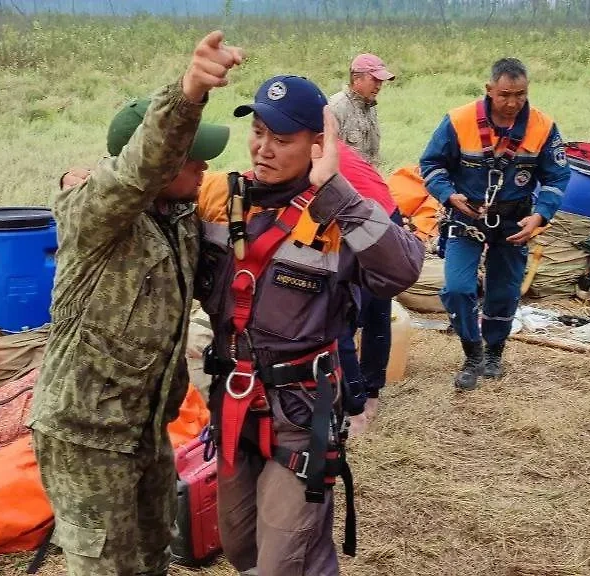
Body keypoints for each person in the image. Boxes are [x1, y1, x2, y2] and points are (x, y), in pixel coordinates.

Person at [26, 31, 242, 576]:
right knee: (108, 567)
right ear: (158, 160)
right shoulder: (96, 215)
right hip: (86, 435)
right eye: (193, 158)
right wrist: (189, 92)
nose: (204, 169)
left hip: (143, 428)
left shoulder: (178, 221)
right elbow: (132, 172)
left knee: (150, 557)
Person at [193, 75, 424, 576]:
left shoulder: (338, 215)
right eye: (258, 132)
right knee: (241, 548)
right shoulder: (219, 198)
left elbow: (402, 270)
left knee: (286, 561)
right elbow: (154, 202)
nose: (263, 149)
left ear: (318, 144)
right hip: (232, 404)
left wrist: (334, 189)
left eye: (282, 139)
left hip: (300, 415)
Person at [419, 57, 570, 391]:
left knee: (504, 291)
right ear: (489, 90)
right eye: (504, 94)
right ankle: (472, 353)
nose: (513, 102)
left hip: (514, 219)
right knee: (458, 288)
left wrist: (541, 214)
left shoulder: (542, 126)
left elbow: (557, 176)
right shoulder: (459, 120)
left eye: (520, 94)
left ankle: (494, 353)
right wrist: (448, 195)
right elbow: (430, 163)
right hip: (466, 215)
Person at [328, 53, 394, 167]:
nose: (379, 86)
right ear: (356, 78)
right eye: (375, 79)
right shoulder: (335, 108)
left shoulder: (370, 107)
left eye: (381, 81)